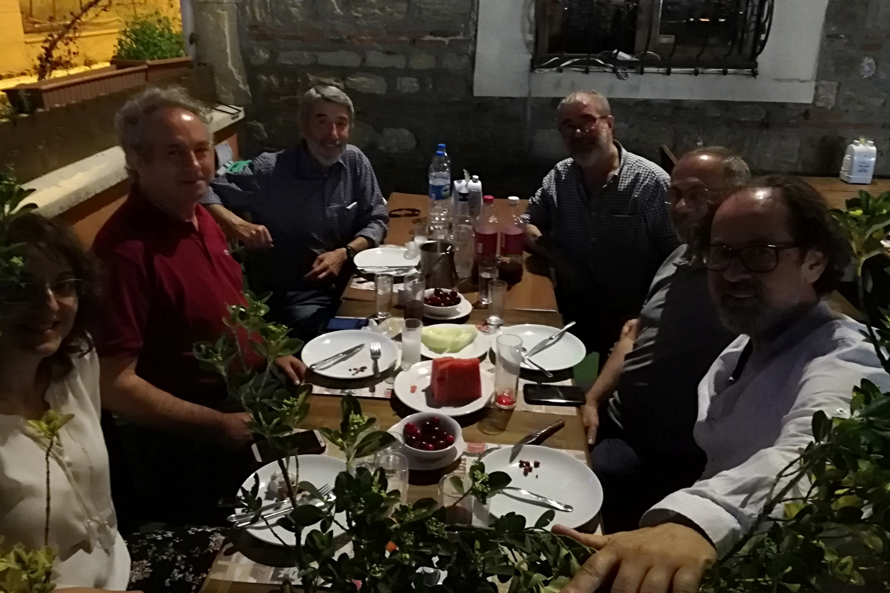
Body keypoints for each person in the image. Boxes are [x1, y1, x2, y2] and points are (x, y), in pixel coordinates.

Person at [556, 175, 889, 593]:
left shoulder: (848, 358)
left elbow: (817, 452)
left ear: (814, 262)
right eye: (721, 252)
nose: (732, 273)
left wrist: (700, 521)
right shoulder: (749, 342)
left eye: (760, 253)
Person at [94, 86, 306, 525]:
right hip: (193, 442)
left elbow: (231, 301)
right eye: (174, 153)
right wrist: (216, 425)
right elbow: (113, 384)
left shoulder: (200, 214)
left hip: (249, 398)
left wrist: (270, 349)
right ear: (137, 161)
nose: (194, 165)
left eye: (201, 149)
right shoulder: (123, 252)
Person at [583, 147, 749, 533]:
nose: (681, 207)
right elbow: (634, 335)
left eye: (697, 195)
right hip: (614, 419)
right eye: (674, 194)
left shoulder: (741, 282)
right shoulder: (679, 257)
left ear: (737, 199)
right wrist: (592, 398)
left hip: (661, 455)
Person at [0, 213, 133, 591]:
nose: (49, 305)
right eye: (20, 288)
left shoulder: (76, 359)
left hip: (123, 569)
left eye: (62, 285)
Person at [199, 85, 389, 341]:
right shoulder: (270, 170)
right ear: (303, 127)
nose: (333, 134)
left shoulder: (355, 161)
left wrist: (345, 253)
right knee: (356, 338)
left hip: (353, 280)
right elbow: (204, 190)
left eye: (341, 124)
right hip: (299, 297)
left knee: (394, 318)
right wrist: (236, 224)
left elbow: (376, 217)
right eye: (322, 122)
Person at [524, 90, 678, 355]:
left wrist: (650, 316)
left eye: (588, 121)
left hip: (629, 316)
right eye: (568, 126)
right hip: (569, 305)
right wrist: (560, 260)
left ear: (609, 124)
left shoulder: (651, 183)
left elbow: (678, 258)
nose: (578, 133)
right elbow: (527, 222)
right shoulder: (561, 176)